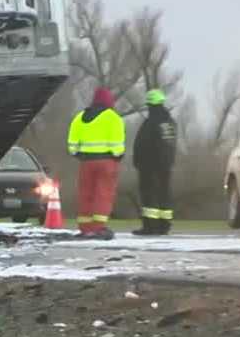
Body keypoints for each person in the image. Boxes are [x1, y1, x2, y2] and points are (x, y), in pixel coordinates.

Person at [67, 87, 126, 240]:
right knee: (103, 193)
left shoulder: (80, 117)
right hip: (106, 162)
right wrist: (118, 155)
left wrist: (79, 153)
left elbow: (72, 146)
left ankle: (85, 228)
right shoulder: (113, 118)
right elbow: (117, 146)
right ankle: (99, 227)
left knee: (85, 194)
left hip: (86, 162)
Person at [132, 89, 178, 236]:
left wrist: (138, 161)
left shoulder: (151, 122)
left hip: (149, 166)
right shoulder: (170, 123)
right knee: (164, 194)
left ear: (150, 104)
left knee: (149, 195)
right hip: (167, 165)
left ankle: (150, 226)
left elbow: (142, 144)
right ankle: (164, 225)